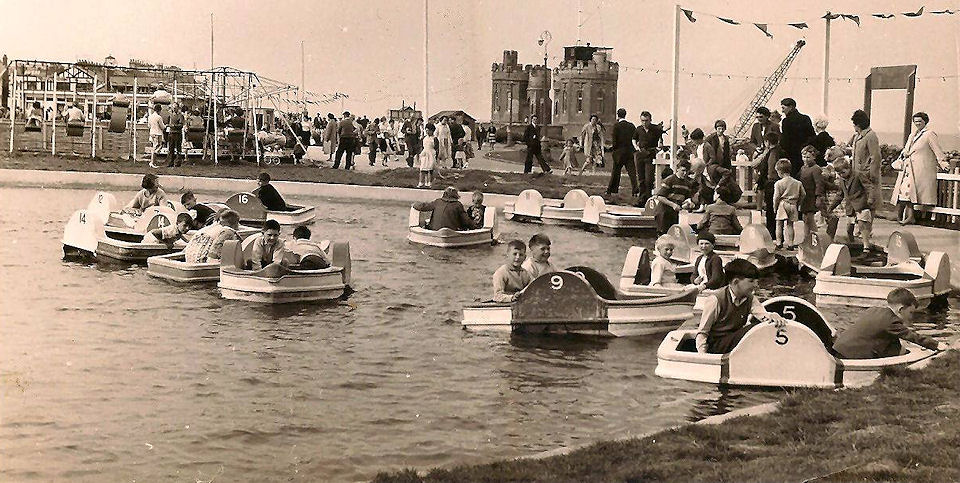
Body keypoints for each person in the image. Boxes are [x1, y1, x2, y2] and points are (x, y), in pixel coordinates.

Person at [695, 258, 787, 354]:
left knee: (761, 326)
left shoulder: (749, 298)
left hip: (735, 343)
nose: (756, 285)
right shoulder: (715, 299)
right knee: (753, 329)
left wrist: (772, 316)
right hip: (717, 345)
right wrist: (704, 356)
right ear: (735, 282)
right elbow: (702, 333)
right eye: (751, 281)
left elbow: (762, 315)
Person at [832, 288, 945, 359]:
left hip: (839, 348)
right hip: (848, 355)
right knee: (898, 349)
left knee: (893, 343)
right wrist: (937, 345)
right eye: (910, 312)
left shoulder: (873, 310)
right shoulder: (891, 321)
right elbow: (912, 337)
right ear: (901, 309)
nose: (911, 317)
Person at [892, 112, 948, 225]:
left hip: (920, 168)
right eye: (915, 121)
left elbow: (937, 149)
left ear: (925, 122)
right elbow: (906, 149)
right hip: (909, 168)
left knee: (911, 192)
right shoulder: (912, 135)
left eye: (920, 121)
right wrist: (904, 155)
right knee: (904, 191)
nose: (917, 123)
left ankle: (910, 217)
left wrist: (943, 163)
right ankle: (904, 216)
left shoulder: (929, 134)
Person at [834, 157, 876, 251]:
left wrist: (870, 198)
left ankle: (866, 246)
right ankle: (852, 244)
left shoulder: (858, 175)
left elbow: (869, 187)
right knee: (849, 228)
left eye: (843, 172)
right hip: (850, 207)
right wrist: (832, 206)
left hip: (861, 204)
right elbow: (840, 195)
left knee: (862, 224)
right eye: (839, 174)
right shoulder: (842, 180)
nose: (841, 175)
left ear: (849, 168)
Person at [848, 109, 882, 211]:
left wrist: (872, 173)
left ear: (858, 124)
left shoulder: (870, 136)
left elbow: (875, 156)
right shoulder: (857, 136)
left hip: (866, 174)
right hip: (857, 174)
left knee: (869, 202)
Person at [654, 160, 696, 235]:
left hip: (675, 213)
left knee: (673, 234)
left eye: (687, 171)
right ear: (677, 169)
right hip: (664, 212)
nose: (685, 173)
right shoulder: (670, 180)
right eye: (683, 170)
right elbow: (660, 197)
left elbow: (686, 198)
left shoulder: (688, 183)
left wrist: (690, 204)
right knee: (663, 235)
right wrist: (673, 205)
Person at [755, 131, 783, 238]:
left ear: (767, 142)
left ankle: (772, 233)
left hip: (771, 183)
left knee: (771, 210)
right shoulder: (780, 151)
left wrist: (760, 183)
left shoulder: (771, 153)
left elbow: (769, 170)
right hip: (779, 182)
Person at [632, 111, 664, 201]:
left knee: (649, 178)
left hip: (650, 154)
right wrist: (636, 147)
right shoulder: (638, 129)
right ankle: (642, 199)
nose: (644, 123)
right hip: (640, 154)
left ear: (650, 120)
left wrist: (658, 148)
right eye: (642, 120)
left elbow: (661, 139)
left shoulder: (655, 129)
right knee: (641, 178)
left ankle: (648, 198)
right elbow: (634, 139)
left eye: (646, 120)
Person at [778, 98, 815, 176]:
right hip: (804, 154)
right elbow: (812, 136)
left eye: (783, 108)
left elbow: (785, 141)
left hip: (791, 155)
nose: (782, 111)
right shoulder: (806, 118)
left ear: (791, 107)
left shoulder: (786, 121)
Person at [607, 108, 639, 198]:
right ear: (625, 114)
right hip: (629, 151)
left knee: (616, 172)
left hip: (619, 152)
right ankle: (635, 190)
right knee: (632, 172)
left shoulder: (616, 126)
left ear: (618, 115)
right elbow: (635, 137)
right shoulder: (631, 126)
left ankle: (612, 189)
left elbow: (614, 140)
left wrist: (614, 150)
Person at [773, 158, 804, 249]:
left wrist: (775, 207)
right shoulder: (797, 183)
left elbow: (776, 197)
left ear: (779, 172)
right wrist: (798, 203)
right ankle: (790, 243)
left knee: (779, 224)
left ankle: (779, 242)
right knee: (790, 225)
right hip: (793, 204)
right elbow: (803, 194)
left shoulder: (779, 183)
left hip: (783, 204)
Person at [797, 145, 824, 241]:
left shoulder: (816, 169)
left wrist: (818, 197)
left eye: (808, 157)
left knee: (810, 219)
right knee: (805, 220)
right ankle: (806, 239)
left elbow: (819, 184)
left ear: (814, 157)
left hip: (812, 196)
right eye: (803, 157)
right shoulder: (803, 168)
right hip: (804, 197)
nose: (805, 159)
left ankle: (815, 239)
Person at [819, 160, 844, 239]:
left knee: (832, 218)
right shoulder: (825, 175)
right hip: (824, 200)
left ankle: (829, 237)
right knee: (831, 218)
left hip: (829, 200)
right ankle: (829, 237)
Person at [417, 123, 439, 188]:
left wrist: (436, 156)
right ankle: (421, 182)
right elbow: (421, 146)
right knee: (423, 168)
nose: (427, 132)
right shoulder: (424, 138)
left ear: (432, 131)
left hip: (431, 154)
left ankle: (429, 183)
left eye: (428, 130)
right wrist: (420, 154)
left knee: (430, 169)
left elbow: (437, 148)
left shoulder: (434, 139)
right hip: (424, 153)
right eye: (426, 130)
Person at [147, 104, 166, 169]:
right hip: (158, 133)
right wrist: (166, 126)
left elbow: (149, 126)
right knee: (157, 147)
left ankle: (153, 162)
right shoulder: (159, 117)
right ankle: (152, 162)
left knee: (154, 147)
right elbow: (162, 127)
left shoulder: (150, 117)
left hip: (152, 132)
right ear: (159, 110)